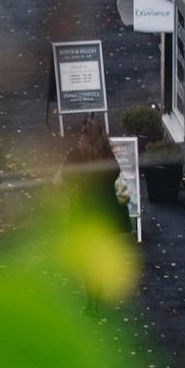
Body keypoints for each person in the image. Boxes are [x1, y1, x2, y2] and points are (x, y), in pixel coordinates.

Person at [59, 118, 130, 310]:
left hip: (83, 209)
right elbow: (116, 172)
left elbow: (65, 177)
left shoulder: (76, 154)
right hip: (105, 209)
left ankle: (91, 297)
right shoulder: (107, 155)